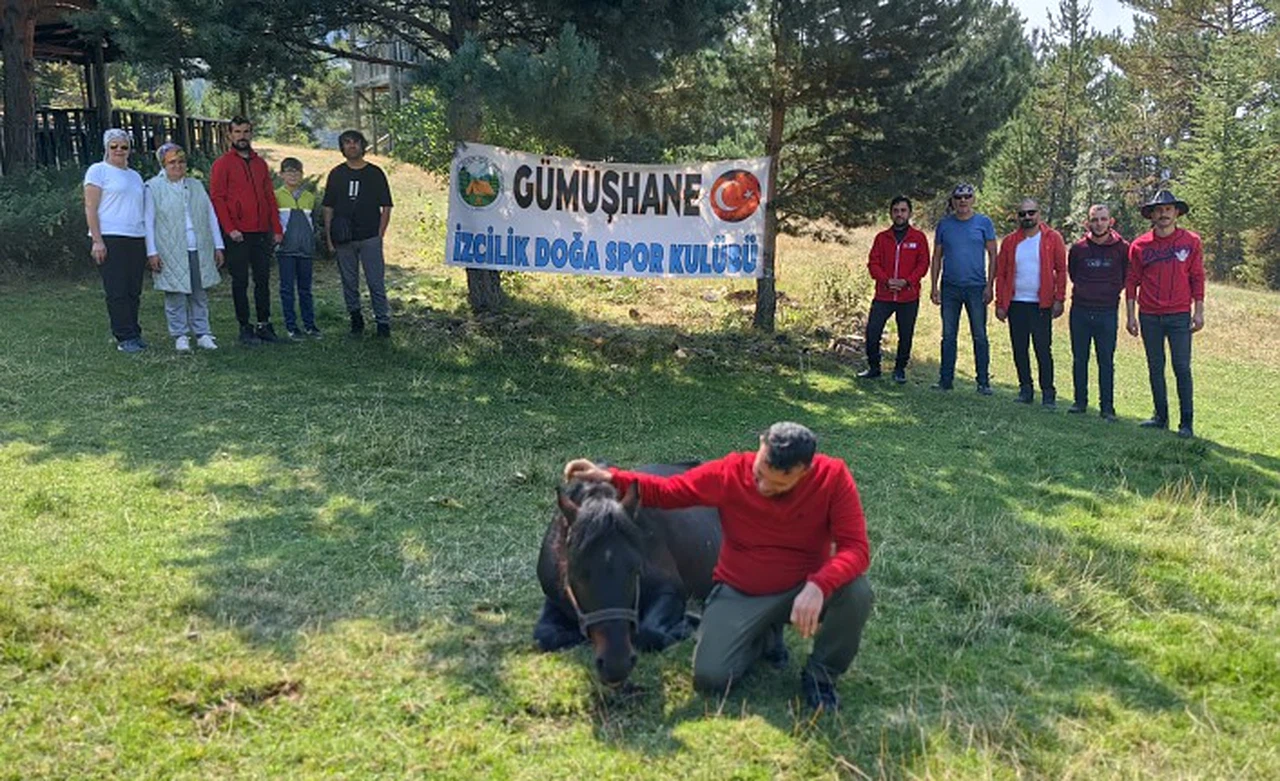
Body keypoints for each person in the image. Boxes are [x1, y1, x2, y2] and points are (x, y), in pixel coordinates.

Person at [562, 422, 873, 714]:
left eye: (777, 484)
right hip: (743, 589)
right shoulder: (732, 471)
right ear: (760, 445)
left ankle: (821, 676)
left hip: (805, 585)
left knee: (857, 591)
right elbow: (670, 490)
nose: (762, 485)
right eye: (759, 472)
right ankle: (763, 635)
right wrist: (612, 478)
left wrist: (820, 584)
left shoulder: (833, 478)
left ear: (805, 471)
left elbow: (856, 549)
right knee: (711, 678)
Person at [1125, 190, 1206, 439]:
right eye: (1158, 210)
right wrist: (1130, 316)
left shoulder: (1191, 241)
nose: (1163, 214)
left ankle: (1186, 422)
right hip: (1149, 315)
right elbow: (1131, 282)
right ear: (1151, 214)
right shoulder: (1140, 245)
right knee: (1155, 366)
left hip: (1180, 315)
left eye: (1168, 209)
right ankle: (1161, 416)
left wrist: (1199, 311)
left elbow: (1197, 277)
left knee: (1182, 367)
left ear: (1177, 212)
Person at [144, 143, 225, 351]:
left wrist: (218, 245)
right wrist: (151, 251)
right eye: (172, 162)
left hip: (198, 247)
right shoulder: (153, 187)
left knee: (199, 292)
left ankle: (203, 333)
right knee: (175, 293)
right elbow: (149, 221)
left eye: (181, 161)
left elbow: (210, 216)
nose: (177, 166)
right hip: (170, 247)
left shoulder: (195, 185)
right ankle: (180, 335)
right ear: (163, 164)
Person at [210, 116, 283, 346]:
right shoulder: (223, 164)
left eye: (246, 131)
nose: (242, 136)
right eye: (237, 132)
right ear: (230, 135)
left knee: (262, 279)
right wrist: (230, 228)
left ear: (251, 134)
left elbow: (269, 197)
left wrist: (276, 228)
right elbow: (218, 198)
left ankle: (264, 324)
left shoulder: (260, 164)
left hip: (261, 231)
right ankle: (245, 327)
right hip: (238, 233)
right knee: (239, 281)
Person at [994, 198, 1067, 407]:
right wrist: (1000, 303)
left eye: (1031, 213)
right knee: (1019, 348)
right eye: (1022, 214)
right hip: (1016, 303)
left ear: (1039, 213)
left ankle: (1048, 393)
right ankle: (1025, 389)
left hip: (1041, 304)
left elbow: (1061, 270)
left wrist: (1059, 298)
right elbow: (1002, 273)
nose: (1027, 217)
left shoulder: (1052, 238)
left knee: (1043, 349)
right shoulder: (1009, 241)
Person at [323, 130, 394, 338]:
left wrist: (380, 234)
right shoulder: (336, 174)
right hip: (344, 237)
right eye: (347, 143)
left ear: (362, 146)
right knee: (349, 281)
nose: (351, 146)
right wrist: (329, 237)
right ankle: (356, 320)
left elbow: (387, 206)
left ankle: (382, 323)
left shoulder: (375, 173)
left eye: (355, 142)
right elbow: (328, 207)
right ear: (342, 148)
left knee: (375, 282)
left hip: (370, 236)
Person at [84, 128, 149, 353]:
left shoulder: (135, 176)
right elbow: (90, 207)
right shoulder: (98, 171)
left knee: (133, 289)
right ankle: (124, 336)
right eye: (114, 146)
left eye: (124, 147)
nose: (119, 151)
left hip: (136, 237)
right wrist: (97, 240)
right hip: (111, 237)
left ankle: (134, 331)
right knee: (117, 288)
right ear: (106, 148)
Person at [930, 183, 998, 394]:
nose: (963, 201)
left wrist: (990, 286)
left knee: (979, 334)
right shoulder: (944, 225)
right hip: (950, 287)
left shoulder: (984, 223)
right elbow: (937, 256)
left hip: (976, 287)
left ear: (973, 199)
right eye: (958, 197)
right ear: (952, 201)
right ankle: (945, 380)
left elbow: (993, 255)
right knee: (948, 335)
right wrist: (934, 286)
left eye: (967, 196)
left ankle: (983, 382)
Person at [860, 196, 930, 383]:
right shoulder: (882, 238)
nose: (899, 214)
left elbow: (923, 264)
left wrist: (907, 281)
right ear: (891, 213)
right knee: (873, 331)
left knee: (905, 335)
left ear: (909, 213)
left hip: (908, 296)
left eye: (903, 210)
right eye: (896, 210)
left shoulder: (918, 237)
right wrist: (886, 280)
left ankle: (900, 370)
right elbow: (873, 263)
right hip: (884, 294)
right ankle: (874, 367)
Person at [1067, 204, 1128, 420]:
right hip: (1081, 310)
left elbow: (1125, 277)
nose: (1099, 223)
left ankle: (1107, 407)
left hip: (1107, 312)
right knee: (1079, 358)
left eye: (1103, 219)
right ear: (1087, 223)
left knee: (1106, 360)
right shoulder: (1078, 249)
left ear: (1110, 222)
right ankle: (1080, 402)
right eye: (1094, 219)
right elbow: (1073, 274)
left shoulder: (1122, 248)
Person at [275, 158, 321, 339]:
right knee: (287, 289)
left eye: (297, 172)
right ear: (281, 175)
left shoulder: (309, 197)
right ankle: (291, 326)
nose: (293, 175)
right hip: (285, 250)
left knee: (306, 289)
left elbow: (314, 223)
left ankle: (310, 325)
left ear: (302, 174)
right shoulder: (276, 195)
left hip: (305, 250)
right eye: (289, 171)